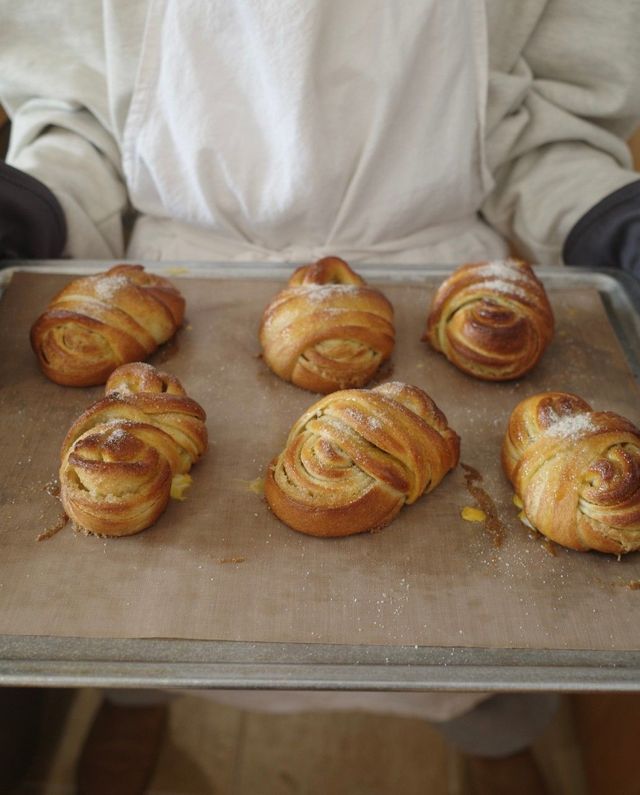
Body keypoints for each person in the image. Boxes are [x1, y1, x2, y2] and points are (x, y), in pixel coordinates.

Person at [1, 2, 639, 794]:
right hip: (187, 261)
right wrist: (23, 208)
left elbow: (552, 128)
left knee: (490, 636)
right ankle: (139, 690)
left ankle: (491, 732)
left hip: (422, 262)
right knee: (146, 600)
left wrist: (617, 226)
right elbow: (81, 123)